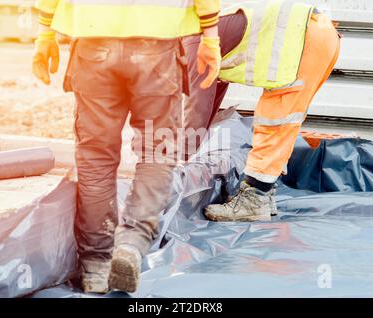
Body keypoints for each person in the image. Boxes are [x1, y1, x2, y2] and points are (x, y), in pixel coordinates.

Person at [32, 0, 222, 294]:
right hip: (157, 49)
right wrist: (211, 36)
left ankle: (96, 264)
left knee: (96, 156)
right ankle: (133, 243)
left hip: (94, 46)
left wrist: (44, 34)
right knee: (156, 153)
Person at [182, 1, 341, 222]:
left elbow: (197, 107)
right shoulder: (202, 32)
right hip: (314, 34)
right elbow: (209, 99)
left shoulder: (192, 41)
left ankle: (254, 200)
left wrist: (176, 160)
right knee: (281, 123)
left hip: (304, 38)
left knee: (275, 121)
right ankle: (263, 194)